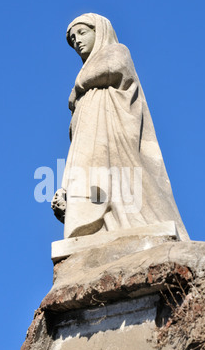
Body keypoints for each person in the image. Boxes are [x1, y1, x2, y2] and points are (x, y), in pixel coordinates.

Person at [52, 13, 189, 242]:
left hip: (115, 133)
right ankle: (98, 223)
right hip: (91, 142)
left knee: (124, 177)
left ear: (100, 31)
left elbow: (114, 68)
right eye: (73, 38)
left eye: (82, 33)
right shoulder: (86, 88)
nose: (77, 41)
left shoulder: (116, 51)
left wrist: (77, 88)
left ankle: (134, 221)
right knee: (91, 175)